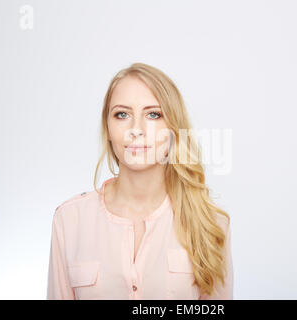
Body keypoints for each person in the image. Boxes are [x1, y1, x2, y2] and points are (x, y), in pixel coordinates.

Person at [47, 62, 233, 300]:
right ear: (108, 127)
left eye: (153, 114)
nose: (136, 129)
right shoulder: (69, 219)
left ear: (173, 128)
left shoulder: (212, 224)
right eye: (122, 114)